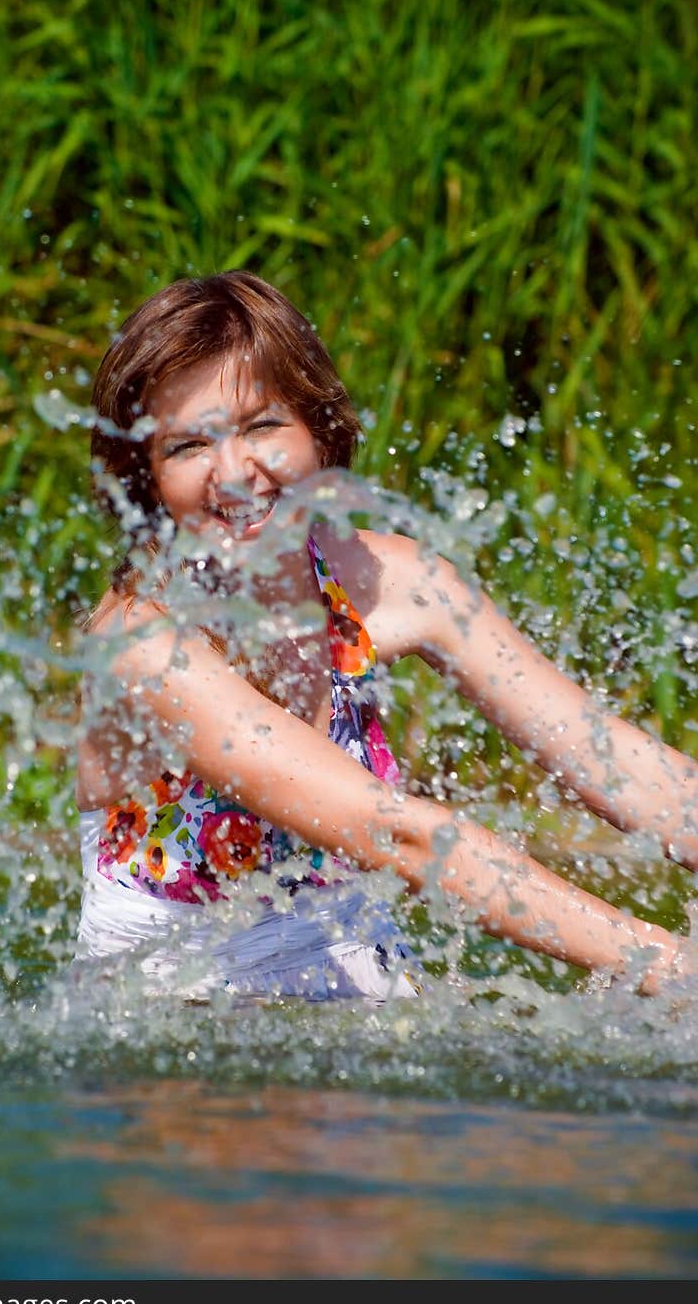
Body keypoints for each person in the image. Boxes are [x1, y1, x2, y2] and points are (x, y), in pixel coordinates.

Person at [76, 269, 698, 1002]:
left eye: (263, 426)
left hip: (361, 998)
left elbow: (604, 754)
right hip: (175, 1032)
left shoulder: (389, 579)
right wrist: (669, 968)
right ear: (143, 475)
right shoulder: (144, 642)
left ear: (319, 432)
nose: (235, 472)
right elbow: (393, 834)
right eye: (188, 447)